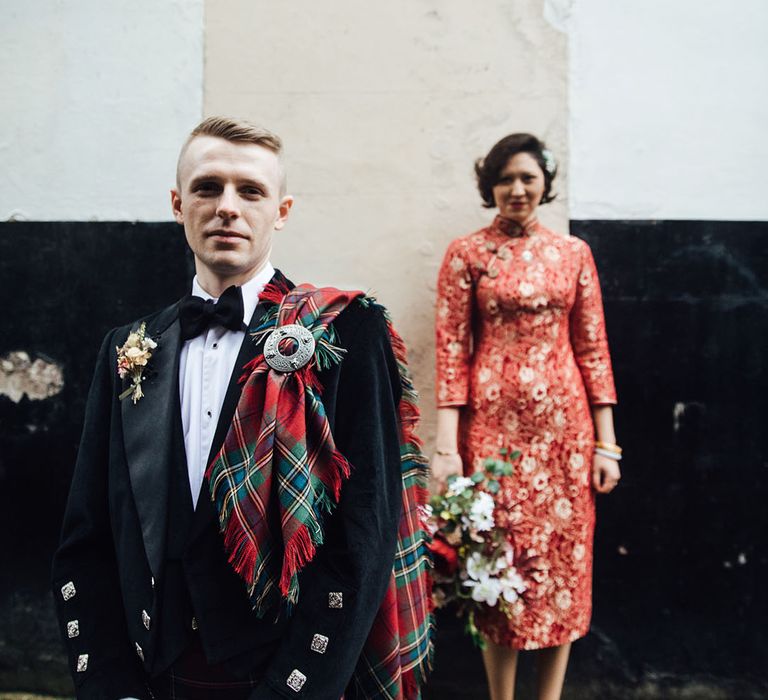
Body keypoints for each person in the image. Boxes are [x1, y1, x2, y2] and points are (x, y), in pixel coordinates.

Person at [51, 117, 432, 700]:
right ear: (178, 205)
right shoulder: (128, 349)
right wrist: (108, 683)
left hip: (287, 672)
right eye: (207, 188)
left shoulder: (345, 333)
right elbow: (89, 534)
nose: (227, 206)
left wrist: (296, 688)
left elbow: (364, 536)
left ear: (281, 210)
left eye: (250, 190)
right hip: (154, 674)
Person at [432, 133, 621, 700]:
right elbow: (451, 348)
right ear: (490, 185)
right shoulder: (466, 254)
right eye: (505, 179)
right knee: (497, 564)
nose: (517, 189)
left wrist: (607, 444)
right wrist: (448, 447)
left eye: (528, 178)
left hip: (566, 437)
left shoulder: (574, 253)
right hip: (493, 436)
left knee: (563, 567)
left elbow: (593, 347)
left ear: (545, 184)